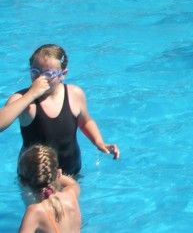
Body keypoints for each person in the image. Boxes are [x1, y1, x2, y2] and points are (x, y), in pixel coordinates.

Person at [0, 44, 120, 176]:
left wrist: (99, 141)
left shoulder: (75, 94)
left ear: (63, 74)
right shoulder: (23, 100)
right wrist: (31, 95)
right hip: (34, 179)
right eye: (35, 72)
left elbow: (85, 121)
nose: (40, 79)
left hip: (71, 172)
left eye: (48, 74)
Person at [17, 144, 81, 233]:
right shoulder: (71, 194)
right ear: (58, 173)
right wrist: (53, 176)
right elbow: (73, 184)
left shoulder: (35, 212)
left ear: (23, 182)